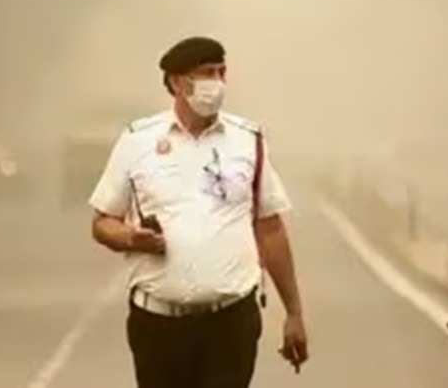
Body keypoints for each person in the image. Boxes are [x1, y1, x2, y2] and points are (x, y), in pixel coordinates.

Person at [88, 35, 308, 388]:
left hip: (230, 322)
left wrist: (294, 312)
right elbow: (102, 223)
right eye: (206, 73)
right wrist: (130, 238)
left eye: (221, 72)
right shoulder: (137, 140)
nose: (216, 82)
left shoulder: (247, 140)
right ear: (177, 83)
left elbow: (270, 227)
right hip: (158, 324)